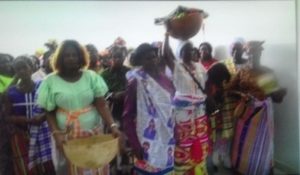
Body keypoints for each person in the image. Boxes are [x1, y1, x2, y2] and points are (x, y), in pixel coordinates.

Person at [37, 40, 123, 175]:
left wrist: (112, 126)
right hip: (67, 138)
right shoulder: (50, 81)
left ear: (81, 57)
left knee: (95, 165)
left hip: (93, 133)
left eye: (74, 55)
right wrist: (57, 134)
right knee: (72, 168)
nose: (71, 58)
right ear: (60, 58)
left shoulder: (91, 77)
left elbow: (101, 104)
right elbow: (49, 112)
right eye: (67, 55)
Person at [229, 41, 287, 175]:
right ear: (247, 55)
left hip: (263, 115)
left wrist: (279, 93)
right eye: (251, 54)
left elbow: (276, 98)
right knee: (243, 143)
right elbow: (229, 90)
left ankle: (261, 169)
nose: (254, 57)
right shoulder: (242, 71)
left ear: (261, 54)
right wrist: (242, 95)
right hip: (245, 112)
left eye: (257, 54)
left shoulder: (266, 72)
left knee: (262, 144)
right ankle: (242, 169)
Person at [123, 43, 175, 175]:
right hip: (146, 140)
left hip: (167, 137)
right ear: (140, 61)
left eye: (154, 57)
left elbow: (173, 108)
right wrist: (135, 144)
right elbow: (127, 116)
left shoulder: (166, 80)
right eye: (148, 58)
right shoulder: (136, 81)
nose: (153, 60)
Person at [163, 32, 210, 175]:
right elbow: (166, 54)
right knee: (184, 144)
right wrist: (166, 34)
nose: (189, 52)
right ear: (180, 52)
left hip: (200, 112)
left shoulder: (199, 66)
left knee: (200, 142)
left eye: (191, 49)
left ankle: (199, 171)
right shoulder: (177, 67)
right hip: (183, 114)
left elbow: (205, 86)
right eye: (185, 50)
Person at [3, 55, 55, 175]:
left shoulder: (43, 86)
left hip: (43, 134)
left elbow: (53, 108)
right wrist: (28, 120)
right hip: (21, 135)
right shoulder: (11, 92)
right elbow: (7, 116)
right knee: (26, 169)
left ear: (32, 68)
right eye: (18, 69)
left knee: (48, 167)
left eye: (24, 67)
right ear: (15, 72)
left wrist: (42, 118)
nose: (22, 71)